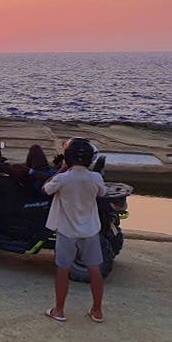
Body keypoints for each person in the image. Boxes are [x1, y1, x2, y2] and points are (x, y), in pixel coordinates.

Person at [43, 138, 107, 323]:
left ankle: (59, 310)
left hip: (66, 231)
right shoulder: (95, 177)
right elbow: (102, 193)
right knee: (94, 269)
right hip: (90, 230)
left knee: (63, 270)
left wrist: (62, 169)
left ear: (68, 157)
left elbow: (45, 189)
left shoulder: (63, 178)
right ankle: (97, 311)